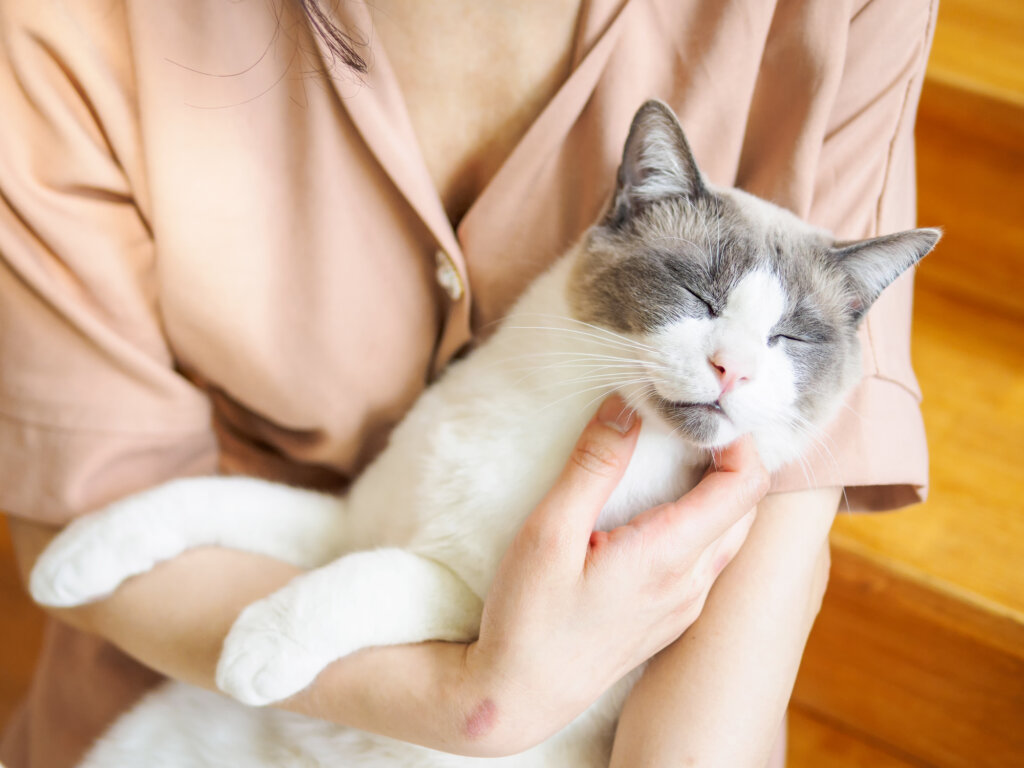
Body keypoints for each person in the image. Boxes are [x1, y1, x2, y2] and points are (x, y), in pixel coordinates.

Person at [0, 1, 938, 766]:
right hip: (191, 669)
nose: (734, 363)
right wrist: (479, 699)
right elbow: (80, 494)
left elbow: (774, 548)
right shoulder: (66, 30)